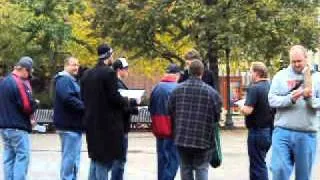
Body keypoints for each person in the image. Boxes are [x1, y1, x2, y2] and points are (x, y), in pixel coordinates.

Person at [81, 44, 133, 180]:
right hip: (107, 125)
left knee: (95, 158)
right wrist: (128, 102)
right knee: (104, 161)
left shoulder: (87, 74)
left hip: (91, 122)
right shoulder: (108, 73)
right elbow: (114, 97)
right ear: (109, 55)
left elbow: (83, 97)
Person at [268, 45, 320, 180]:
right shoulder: (280, 76)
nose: (296, 64)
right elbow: (272, 100)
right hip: (282, 131)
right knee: (278, 169)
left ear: (306, 58)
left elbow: (317, 103)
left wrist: (309, 98)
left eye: (299, 61)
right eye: (293, 61)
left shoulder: (317, 78)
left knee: (303, 176)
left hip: (307, 133)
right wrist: (290, 98)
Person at [168, 60, 222, 180]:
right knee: (201, 168)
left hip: (182, 137)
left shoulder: (176, 91)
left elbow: (170, 111)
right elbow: (217, 116)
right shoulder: (212, 93)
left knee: (185, 167)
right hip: (203, 138)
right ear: (202, 72)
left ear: (188, 71)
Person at [0, 57, 38, 180]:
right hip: (18, 127)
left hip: (4, 127)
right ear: (25, 70)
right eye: (29, 73)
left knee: (8, 157)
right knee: (22, 157)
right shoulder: (18, 83)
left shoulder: (4, 81)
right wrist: (35, 104)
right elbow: (26, 106)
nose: (28, 76)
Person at [240, 62, 273, 180]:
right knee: (260, 161)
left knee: (257, 165)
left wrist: (241, 107)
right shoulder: (270, 86)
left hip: (256, 131)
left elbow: (248, 110)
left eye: (251, 71)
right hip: (269, 130)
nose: (250, 74)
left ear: (257, 73)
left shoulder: (254, 88)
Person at [53, 57, 85, 180]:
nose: (76, 67)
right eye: (73, 65)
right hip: (68, 126)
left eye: (77, 65)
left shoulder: (71, 80)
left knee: (73, 158)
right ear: (66, 65)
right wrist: (85, 107)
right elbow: (68, 98)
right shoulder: (64, 80)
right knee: (70, 158)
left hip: (73, 127)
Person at [149, 64, 181, 180]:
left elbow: (150, 108)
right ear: (177, 75)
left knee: (162, 160)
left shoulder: (156, 88)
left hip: (158, 130)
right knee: (173, 160)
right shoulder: (177, 88)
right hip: (172, 130)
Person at [111, 57, 138, 180]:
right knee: (119, 160)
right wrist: (134, 104)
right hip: (120, 126)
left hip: (120, 126)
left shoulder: (118, 83)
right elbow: (120, 105)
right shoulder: (117, 84)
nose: (127, 71)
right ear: (118, 70)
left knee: (119, 159)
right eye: (125, 69)